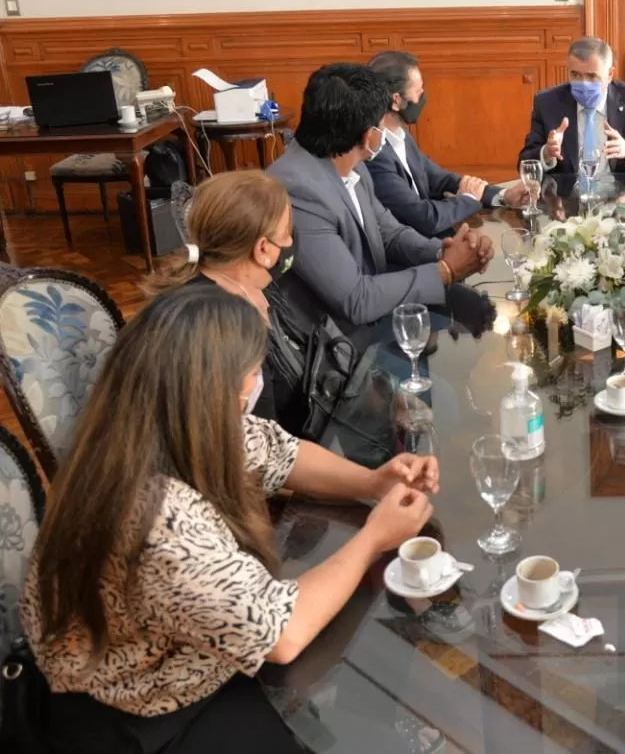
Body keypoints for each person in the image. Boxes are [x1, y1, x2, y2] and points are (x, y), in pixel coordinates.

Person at [21, 286, 440, 754]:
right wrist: (374, 537)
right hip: (135, 710)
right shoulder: (156, 519)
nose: (255, 384)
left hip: (175, 649)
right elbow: (280, 633)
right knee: (345, 633)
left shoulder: (156, 421)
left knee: (358, 612)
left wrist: (371, 483)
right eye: (251, 373)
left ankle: (366, 723)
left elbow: (282, 453)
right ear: (214, 386)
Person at [268, 63, 493, 340]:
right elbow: (356, 300)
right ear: (369, 136)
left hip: (377, 312)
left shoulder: (352, 162)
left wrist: (444, 250)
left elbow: (390, 234)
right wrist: (445, 271)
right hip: (335, 340)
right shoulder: (298, 190)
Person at [144, 170, 312, 430]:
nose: (292, 241)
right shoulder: (216, 327)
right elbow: (258, 449)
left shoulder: (253, 285)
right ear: (263, 249)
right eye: (287, 232)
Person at [366, 50, 530, 238]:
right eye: (418, 91)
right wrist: (468, 199)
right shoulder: (374, 154)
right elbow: (424, 218)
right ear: (396, 100)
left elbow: (440, 179)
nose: (423, 97)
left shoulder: (400, 134)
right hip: (415, 253)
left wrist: (503, 196)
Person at [519, 37, 625, 176]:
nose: (583, 84)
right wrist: (546, 153)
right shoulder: (547, 103)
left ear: (610, 74)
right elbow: (524, 163)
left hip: (620, 199)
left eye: (592, 76)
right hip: (567, 199)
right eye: (576, 75)